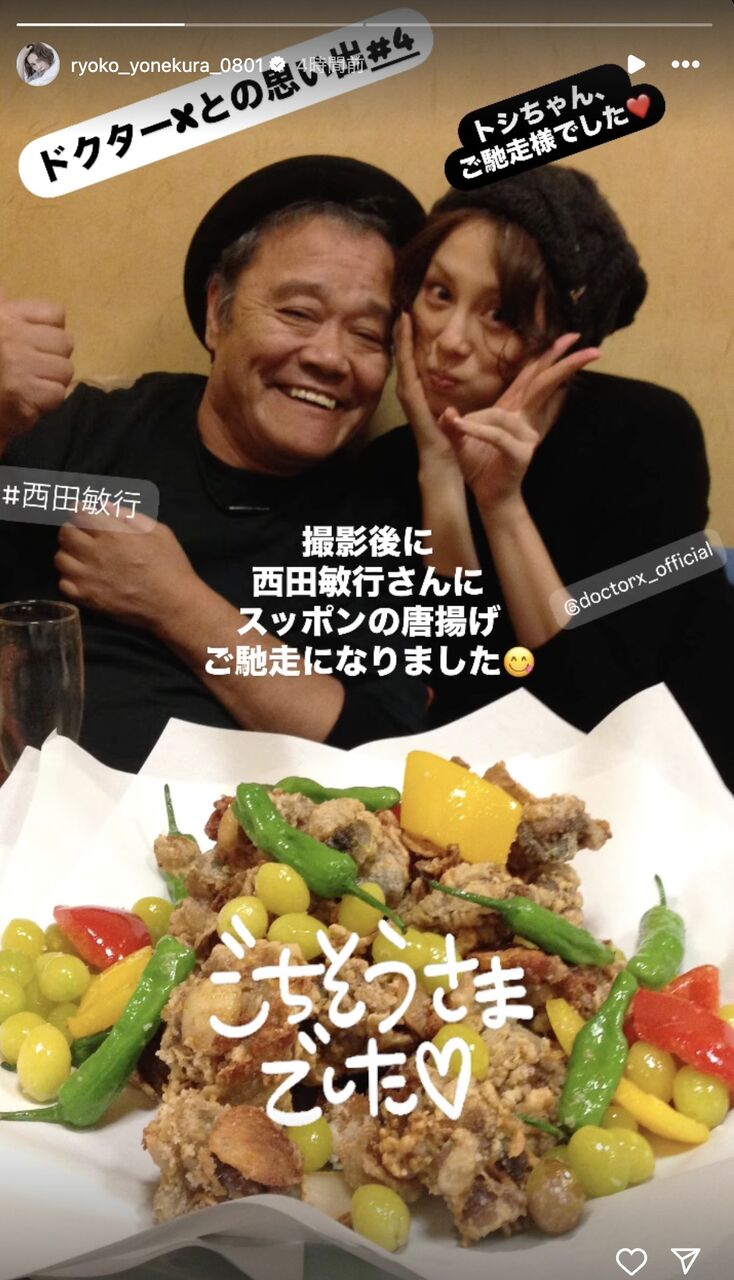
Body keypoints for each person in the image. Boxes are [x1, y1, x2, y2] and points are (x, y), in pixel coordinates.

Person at [0, 155, 428, 771]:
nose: (331, 357)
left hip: (250, 831)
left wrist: (177, 604)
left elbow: (380, 751)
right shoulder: (95, 435)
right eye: (298, 313)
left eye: (367, 334)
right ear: (216, 314)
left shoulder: (378, 518)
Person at [366, 165, 734, 788]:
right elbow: (464, 696)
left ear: (563, 337)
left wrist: (502, 505)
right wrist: (441, 474)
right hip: (511, 792)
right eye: (439, 293)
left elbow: (600, 707)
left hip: (680, 784)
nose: (450, 340)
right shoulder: (389, 466)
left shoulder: (649, 436)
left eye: (501, 315)